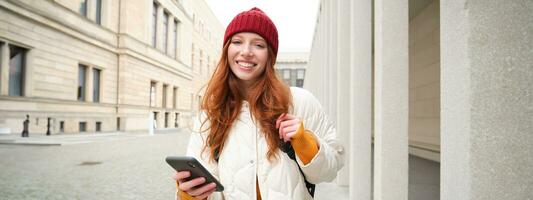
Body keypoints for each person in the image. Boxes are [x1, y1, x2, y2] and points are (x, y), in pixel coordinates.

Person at [172, 7, 345, 200]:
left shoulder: (300, 102)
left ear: (270, 55)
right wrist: (190, 195)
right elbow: (211, 190)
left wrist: (305, 142)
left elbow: (329, 172)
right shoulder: (211, 113)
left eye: (258, 45)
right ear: (227, 49)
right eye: (237, 42)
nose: (246, 52)